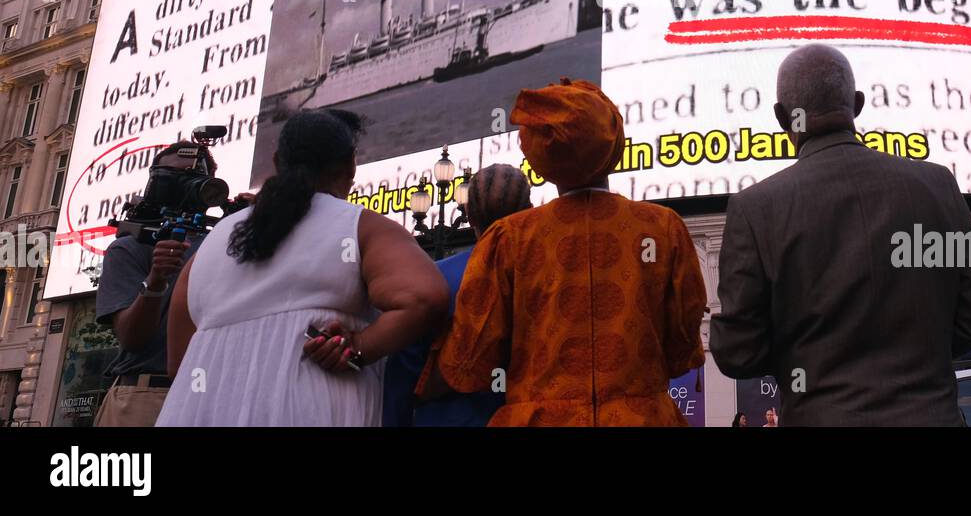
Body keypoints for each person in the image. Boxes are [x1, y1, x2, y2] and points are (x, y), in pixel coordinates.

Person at [711, 44, 971, 425]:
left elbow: (736, 353)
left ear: (782, 118)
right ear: (857, 105)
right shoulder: (938, 186)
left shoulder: (756, 209)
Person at [437, 77, 708, 426]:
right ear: (614, 143)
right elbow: (683, 346)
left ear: (539, 154)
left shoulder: (509, 239)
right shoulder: (663, 228)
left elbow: (468, 364)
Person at [156, 109, 448, 426]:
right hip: (311, 410)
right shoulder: (362, 227)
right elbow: (424, 297)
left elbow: (178, 364)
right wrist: (361, 347)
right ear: (351, 164)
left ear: (278, 161)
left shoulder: (207, 249)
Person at [384, 164, 533, 426]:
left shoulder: (434, 279)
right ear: (529, 212)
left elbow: (405, 372)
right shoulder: (547, 278)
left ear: (469, 215)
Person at [93, 143, 209, 427]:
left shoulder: (228, 241)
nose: (183, 186)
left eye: (194, 179)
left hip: (209, 395)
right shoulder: (129, 247)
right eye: (172, 177)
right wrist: (156, 279)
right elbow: (132, 338)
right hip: (145, 397)